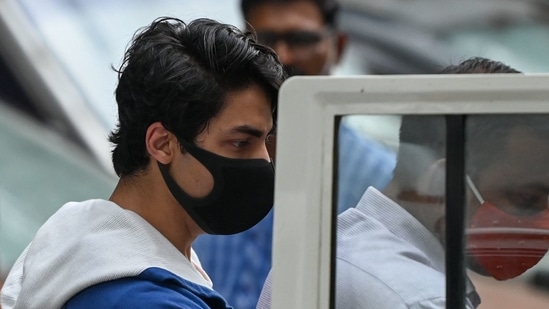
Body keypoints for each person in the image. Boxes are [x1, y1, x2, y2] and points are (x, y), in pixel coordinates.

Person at [0, 17, 286, 308]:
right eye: (240, 143)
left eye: (266, 141)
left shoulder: (75, 246)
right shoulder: (144, 299)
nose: (263, 160)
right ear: (162, 143)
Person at [257, 57, 549, 308]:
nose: (543, 221)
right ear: (443, 185)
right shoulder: (421, 299)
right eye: (526, 199)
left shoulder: (328, 250)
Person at [191, 1, 397, 308]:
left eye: (301, 40)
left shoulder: (381, 180)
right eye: (266, 39)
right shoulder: (199, 159)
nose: (283, 56)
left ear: (337, 46)